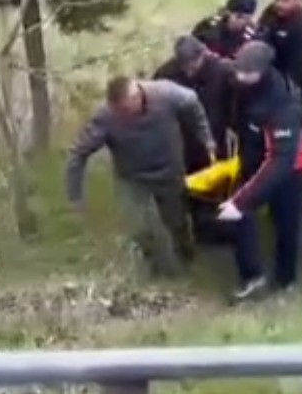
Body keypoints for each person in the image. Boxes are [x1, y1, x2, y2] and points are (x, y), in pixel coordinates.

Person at [66, 76, 216, 279]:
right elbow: (78, 153)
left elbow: (192, 101)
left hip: (168, 171)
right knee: (139, 228)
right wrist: (75, 195)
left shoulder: (165, 94)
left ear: (137, 97)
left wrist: (206, 138)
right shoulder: (107, 116)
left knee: (175, 221)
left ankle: (185, 258)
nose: (123, 115)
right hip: (133, 177)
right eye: (119, 111)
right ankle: (156, 266)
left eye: (126, 110)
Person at [216, 41, 302, 302]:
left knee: (286, 225)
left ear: (264, 70)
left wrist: (242, 200)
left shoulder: (282, 105)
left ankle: (286, 281)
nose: (241, 77)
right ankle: (252, 277)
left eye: (248, 73)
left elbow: (280, 159)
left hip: (289, 169)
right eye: (239, 71)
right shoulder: (238, 79)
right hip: (253, 157)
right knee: (239, 218)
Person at [153, 35, 237, 169]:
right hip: (184, 142)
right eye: (184, 67)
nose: (188, 72)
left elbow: (235, 102)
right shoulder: (166, 75)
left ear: (202, 55)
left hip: (215, 137)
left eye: (193, 66)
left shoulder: (221, 71)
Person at [192, 0, 258, 58]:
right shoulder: (209, 25)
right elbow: (192, 45)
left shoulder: (250, 37)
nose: (242, 22)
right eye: (239, 17)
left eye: (247, 18)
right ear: (228, 12)